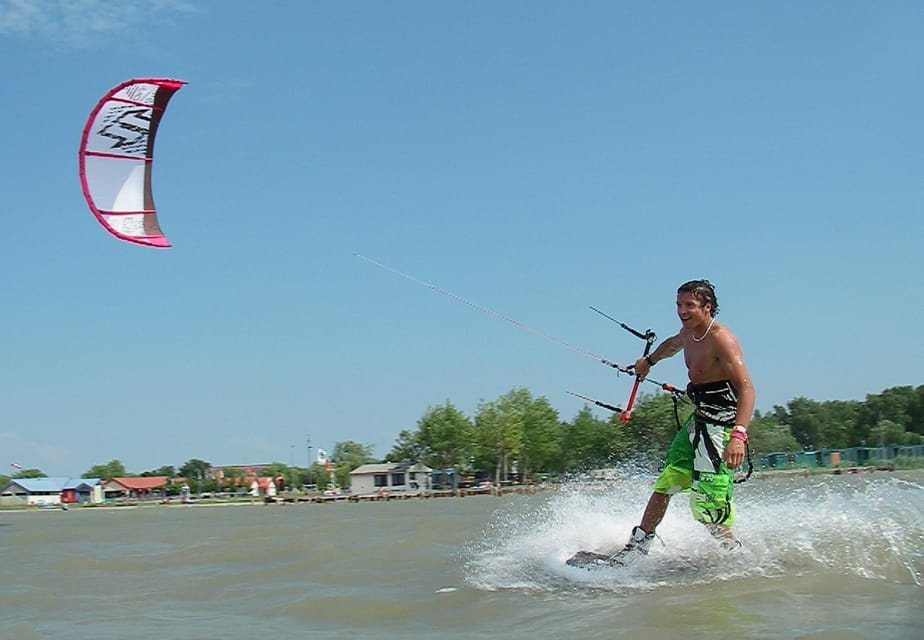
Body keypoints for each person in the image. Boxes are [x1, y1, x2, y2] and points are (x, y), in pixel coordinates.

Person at [612, 279, 754, 564]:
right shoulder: (688, 334)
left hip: (721, 428)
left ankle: (737, 558)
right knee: (666, 481)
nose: (682, 311)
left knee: (709, 504)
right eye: (679, 305)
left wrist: (738, 435)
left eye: (689, 305)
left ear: (707, 307)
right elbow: (672, 345)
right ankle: (637, 549)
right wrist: (649, 361)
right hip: (697, 421)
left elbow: (747, 389)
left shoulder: (721, 339)